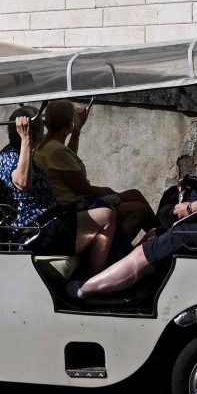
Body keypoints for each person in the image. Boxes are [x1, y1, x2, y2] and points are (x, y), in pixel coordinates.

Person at [72, 86, 197, 300]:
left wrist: (188, 208)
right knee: (153, 233)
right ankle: (131, 288)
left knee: (146, 252)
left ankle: (83, 290)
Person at [36, 100, 152, 278]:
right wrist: (109, 192)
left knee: (135, 203)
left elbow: (68, 158)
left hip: (75, 204)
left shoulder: (48, 146)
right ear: (69, 123)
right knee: (137, 205)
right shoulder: (56, 151)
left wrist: (76, 130)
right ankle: (123, 255)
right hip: (74, 208)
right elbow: (84, 188)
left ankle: (147, 240)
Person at [0, 107, 63, 247]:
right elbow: (23, 182)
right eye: (41, 128)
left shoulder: (22, 153)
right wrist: (26, 139)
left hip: (48, 220)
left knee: (103, 209)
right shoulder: (9, 156)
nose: (44, 133)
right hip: (32, 230)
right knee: (105, 216)